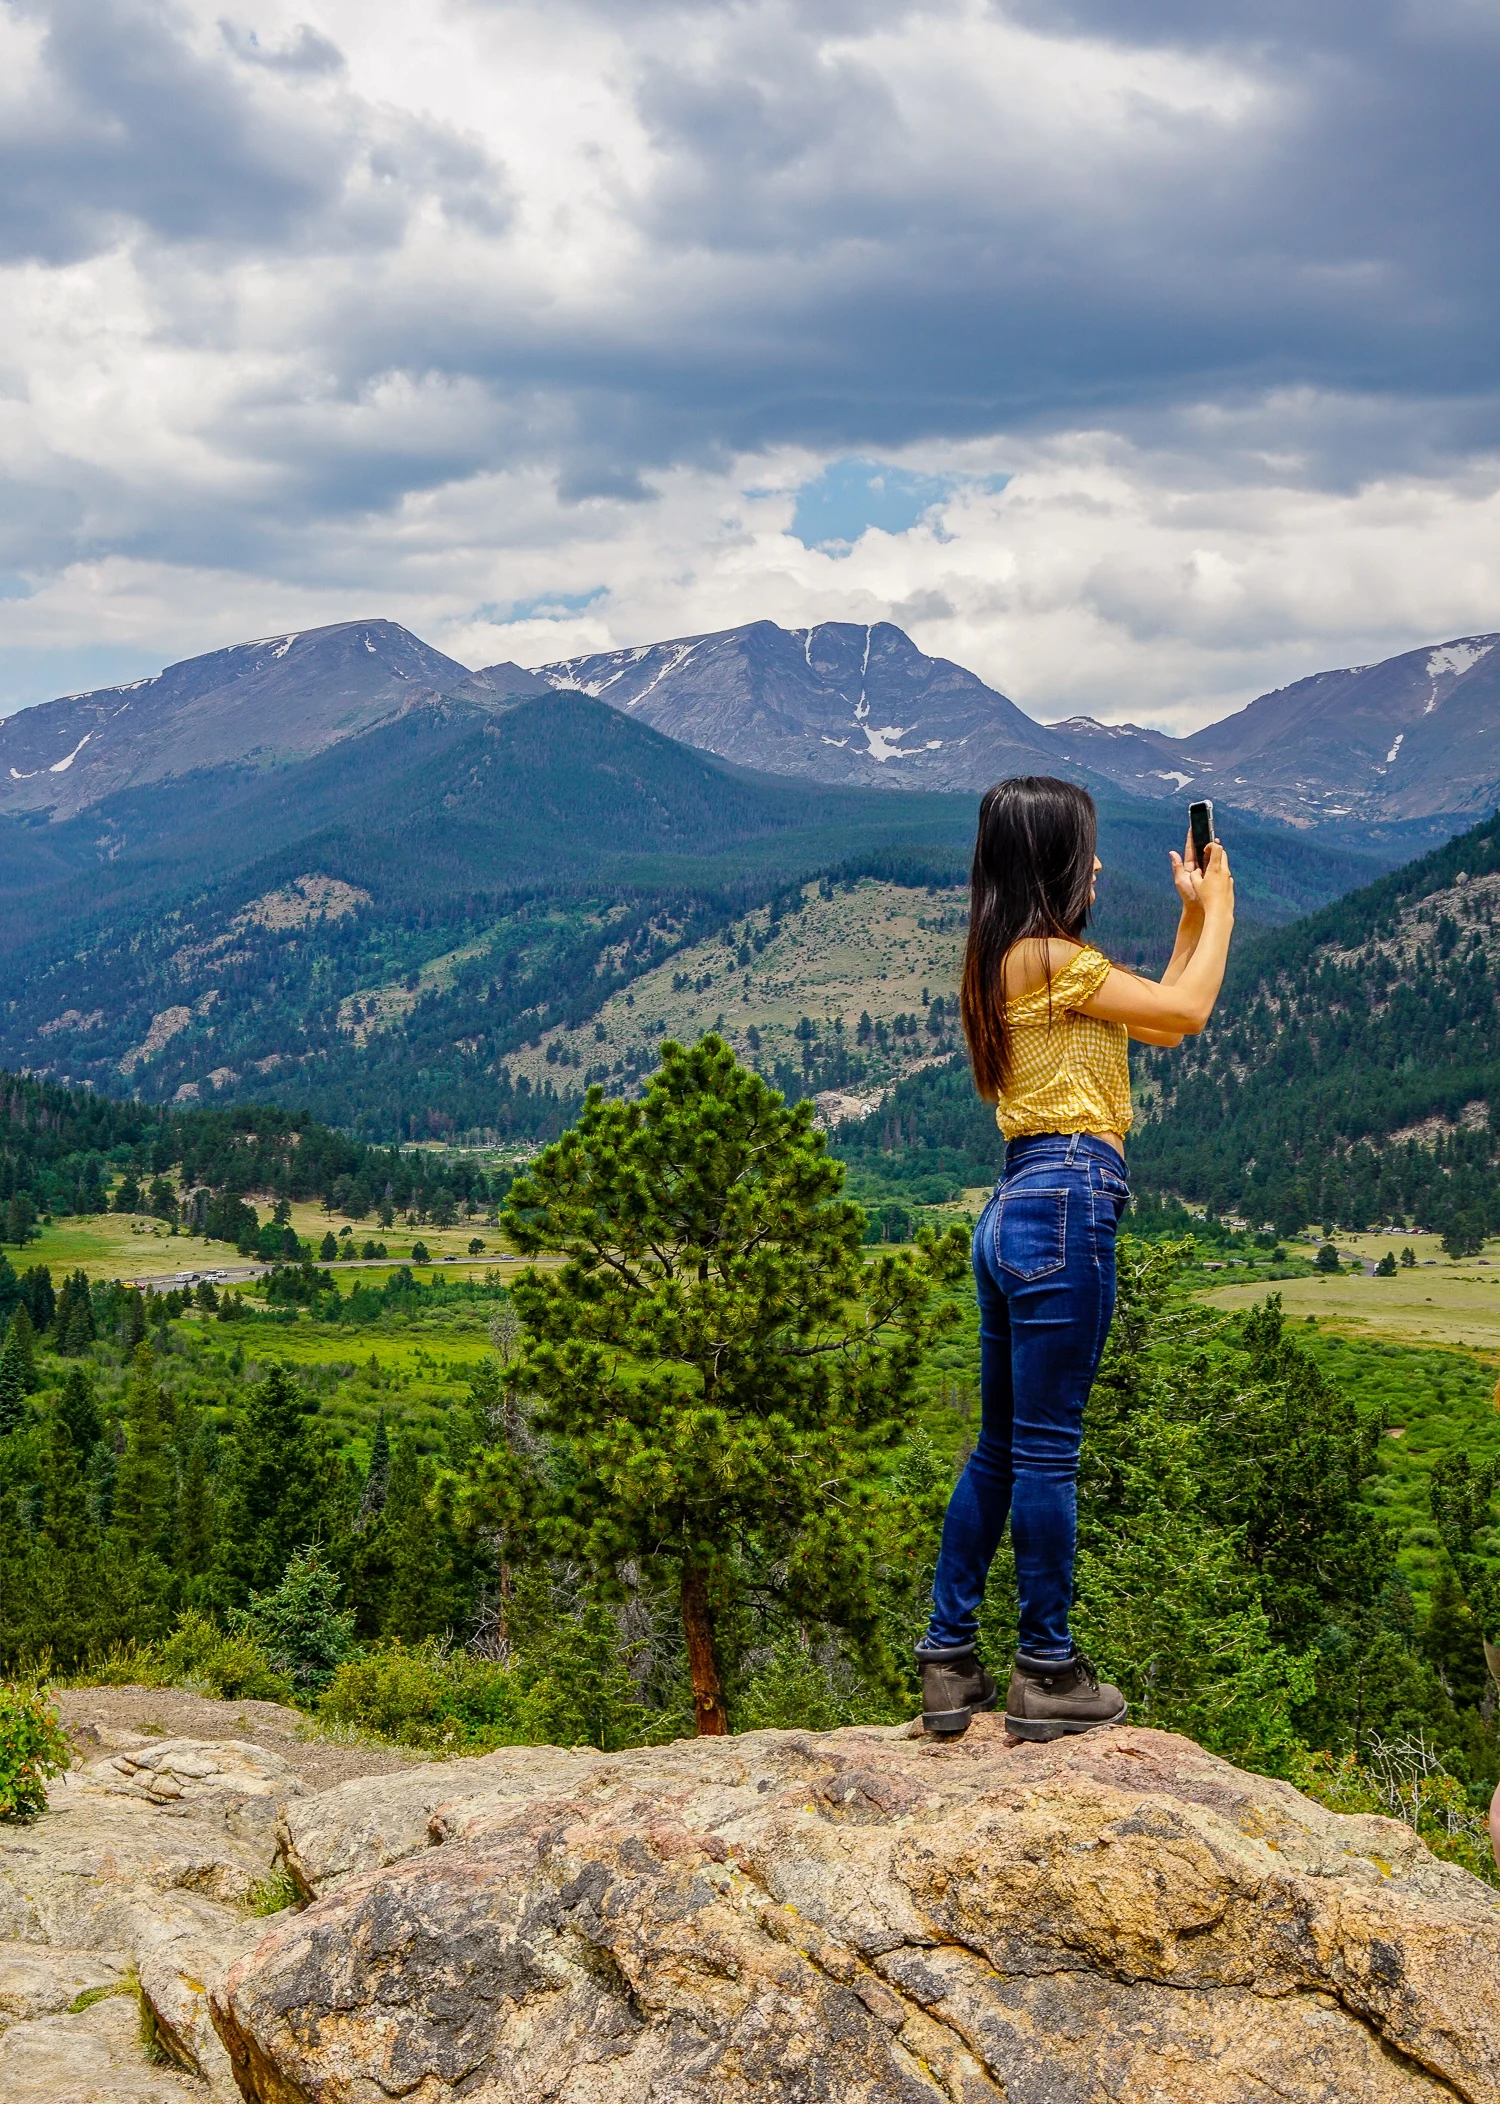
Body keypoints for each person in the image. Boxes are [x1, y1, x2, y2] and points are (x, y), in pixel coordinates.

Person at [915, 775, 1235, 1738]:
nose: (1096, 863)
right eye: (1085, 848)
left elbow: (1157, 1013)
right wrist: (1221, 909)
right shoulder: (1054, 956)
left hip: (1017, 1202)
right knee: (1049, 1450)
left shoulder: (1008, 959)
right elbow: (1188, 1018)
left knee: (1004, 1448)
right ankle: (1047, 1671)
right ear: (1053, 858)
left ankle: (949, 1659)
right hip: (1065, 1199)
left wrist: (1188, 924)